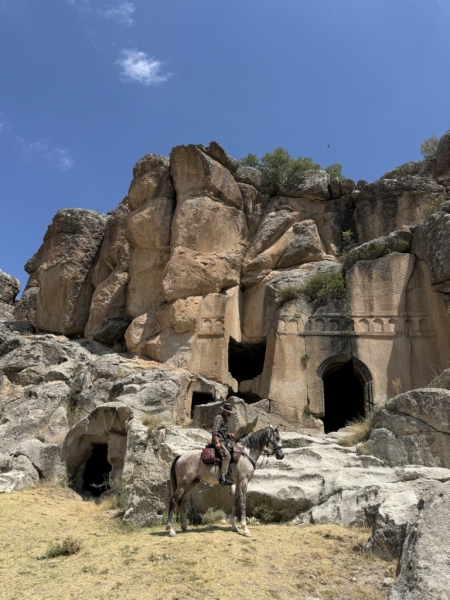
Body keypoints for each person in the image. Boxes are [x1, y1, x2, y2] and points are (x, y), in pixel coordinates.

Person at [211, 403, 236, 486]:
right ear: (224, 411)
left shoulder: (225, 419)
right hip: (219, 442)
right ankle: (223, 477)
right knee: (227, 456)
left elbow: (223, 433)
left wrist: (229, 435)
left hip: (224, 442)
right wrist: (217, 442)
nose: (229, 413)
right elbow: (215, 432)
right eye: (228, 412)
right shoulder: (219, 418)